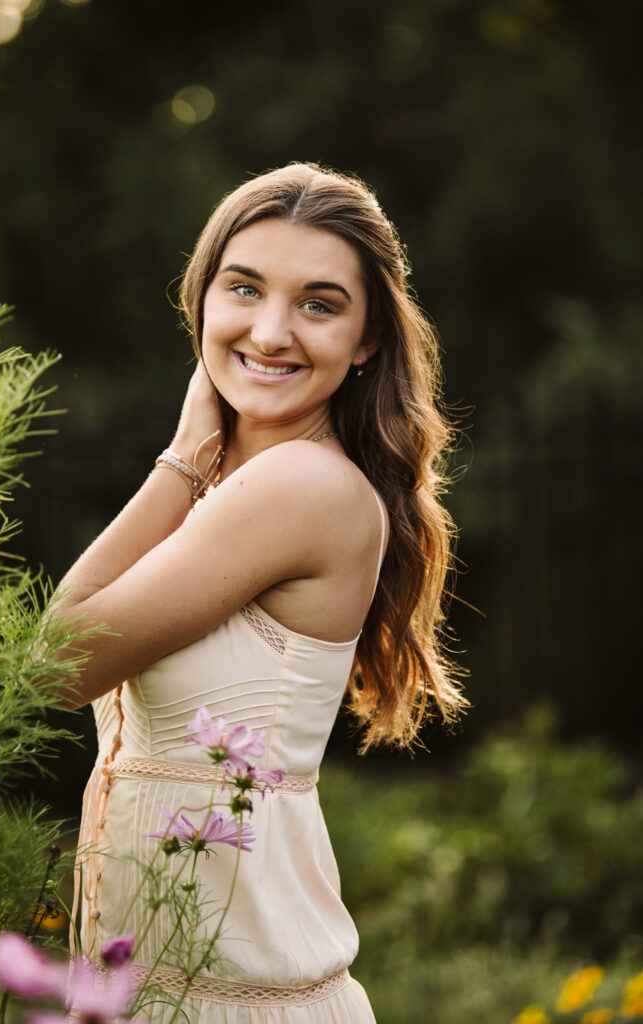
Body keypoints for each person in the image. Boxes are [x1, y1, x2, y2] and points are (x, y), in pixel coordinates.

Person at [53, 162, 467, 1022]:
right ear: (201, 301)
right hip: (153, 989)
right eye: (243, 289)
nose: (271, 331)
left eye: (318, 304)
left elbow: (55, 666)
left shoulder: (299, 489)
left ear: (367, 341)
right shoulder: (240, 490)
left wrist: (179, 456)